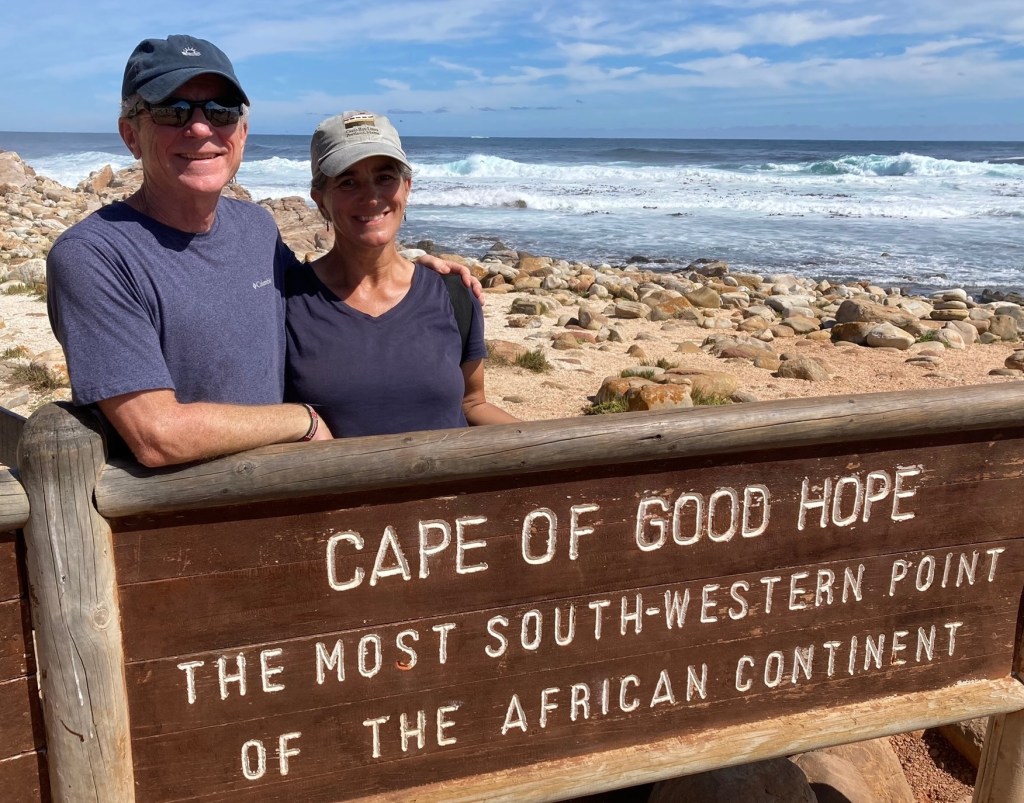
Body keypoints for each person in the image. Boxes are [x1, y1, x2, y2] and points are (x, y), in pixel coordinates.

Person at [46, 35, 478, 467]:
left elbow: (326, 289)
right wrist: (300, 421)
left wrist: (413, 270)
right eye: (170, 111)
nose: (200, 128)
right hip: (179, 521)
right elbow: (158, 435)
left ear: (243, 132)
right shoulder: (93, 256)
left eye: (221, 111)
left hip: (285, 506)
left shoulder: (255, 228)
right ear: (130, 135)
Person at [285, 111, 518, 436]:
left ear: (406, 187)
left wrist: (557, 442)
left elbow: (472, 404)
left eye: (385, 177)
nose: (371, 196)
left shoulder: (454, 294)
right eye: (348, 182)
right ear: (320, 200)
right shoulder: (286, 304)